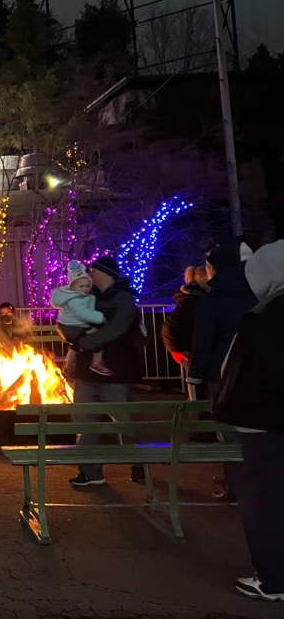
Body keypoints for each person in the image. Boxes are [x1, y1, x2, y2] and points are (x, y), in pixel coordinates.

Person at [213, 239, 284, 601]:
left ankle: (273, 579)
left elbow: (237, 370)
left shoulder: (265, 315)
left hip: (263, 424)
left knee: (264, 500)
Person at [188, 244, 257, 501]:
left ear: (216, 268)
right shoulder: (259, 292)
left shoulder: (214, 300)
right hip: (255, 369)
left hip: (223, 372)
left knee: (227, 430)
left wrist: (195, 377)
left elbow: (203, 342)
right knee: (254, 427)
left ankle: (236, 486)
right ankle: (244, 478)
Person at [70, 257, 145, 488]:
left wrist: (85, 343)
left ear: (106, 273)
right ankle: (90, 472)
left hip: (117, 372)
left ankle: (138, 463)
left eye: (93, 270)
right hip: (86, 373)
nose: (89, 273)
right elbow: (71, 323)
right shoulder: (86, 297)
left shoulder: (124, 299)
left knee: (123, 420)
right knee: (86, 423)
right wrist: (74, 338)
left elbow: (117, 329)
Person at [51, 261, 110, 377]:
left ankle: (70, 367)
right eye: (81, 286)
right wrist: (100, 318)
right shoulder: (76, 299)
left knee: (79, 345)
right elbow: (84, 313)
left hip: (73, 326)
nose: (85, 289)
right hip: (73, 327)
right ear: (72, 287)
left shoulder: (81, 296)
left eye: (87, 286)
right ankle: (96, 362)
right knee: (98, 339)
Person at [161, 265, 211, 368]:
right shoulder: (192, 300)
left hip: (194, 349)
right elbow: (170, 325)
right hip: (192, 350)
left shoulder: (193, 298)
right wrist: (174, 349)